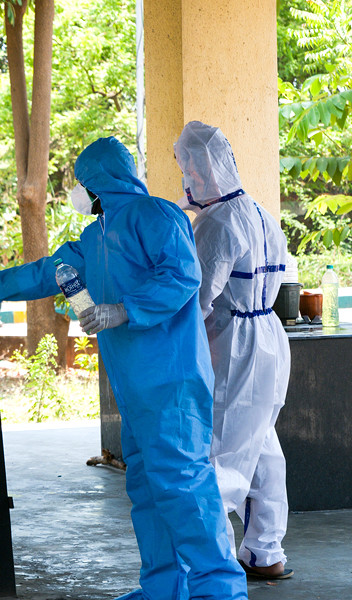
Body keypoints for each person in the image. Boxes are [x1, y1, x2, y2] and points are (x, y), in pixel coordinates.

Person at [0, 137, 248, 600]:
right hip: (134, 387)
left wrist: (122, 310)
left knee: (183, 484)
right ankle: (163, 588)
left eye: (81, 184)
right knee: (148, 489)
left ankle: (221, 590)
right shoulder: (94, 238)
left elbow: (182, 277)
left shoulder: (158, 215)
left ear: (101, 182)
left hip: (172, 380)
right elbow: (48, 271)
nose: (78, 193)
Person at [174, 121, 292, 580]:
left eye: (186, 167)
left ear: (201, 170)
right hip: (268, 337)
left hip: (234, 344)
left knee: (220, 448)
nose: (184, 177)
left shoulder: (217, 223)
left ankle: (212, 566)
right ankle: (266, 552)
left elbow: (199, 299)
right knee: (263, 445)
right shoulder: (261, 213)